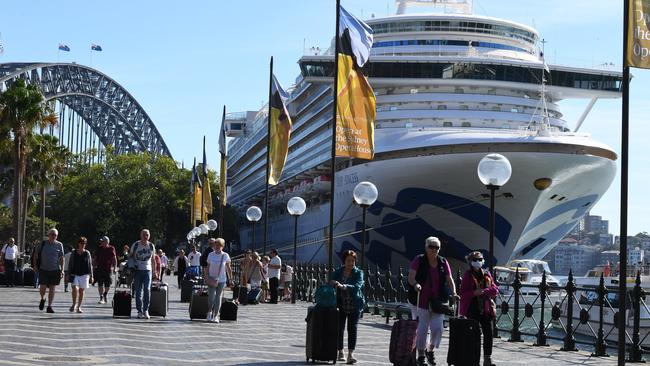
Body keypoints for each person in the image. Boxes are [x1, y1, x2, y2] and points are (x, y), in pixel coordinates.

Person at [408, 236, 458, 366]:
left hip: (438, 301)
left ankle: (430, 350)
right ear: (426, 247)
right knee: (422, 328)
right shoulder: (419, 260)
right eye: (431, 246)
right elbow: (411, 276)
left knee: (438, 329)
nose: (434, 249)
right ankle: (421, 355)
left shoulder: (442, 262)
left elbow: (449, 278)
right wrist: (415, 285)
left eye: (437, 247)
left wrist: (453, 292)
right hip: (421, 300)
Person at [459, 251, 499, 366]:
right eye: (475, 260)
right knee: (475, 335)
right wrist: (474, 293)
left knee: (489, 333)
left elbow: (495, 289)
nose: (478, 262)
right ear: (470, 262)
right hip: (472, 308)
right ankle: (474, 360)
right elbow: (463, 294)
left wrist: (484, 291)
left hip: (486, 308)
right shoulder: (468, 275)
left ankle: (487, 359)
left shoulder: (487, 273)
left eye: (480, 259)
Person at [330, 250, 365, 365]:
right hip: (340, 303)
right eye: (348, 261)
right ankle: (340, 351)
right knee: (340, 328)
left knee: (352, 329)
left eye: (353, 261)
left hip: (355, 304)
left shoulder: (359, 273)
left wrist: (343, 286)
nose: (351, 263)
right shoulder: (338, 272)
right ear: (344, 261)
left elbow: (357, 286)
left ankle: (350, 354)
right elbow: (330, 281)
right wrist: (333, 282)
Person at [34, 228, 65, 313]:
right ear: (48, 235)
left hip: (55, 269)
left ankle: (49, 306)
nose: (54, 236)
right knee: (42, 287)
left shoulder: (59, 245)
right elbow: (36, 254)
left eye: (55, 235)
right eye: (52, 234)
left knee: (52, 288)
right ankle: (43, 298)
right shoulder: (43, 243)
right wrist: (35, 266)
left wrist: (62, 270)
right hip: (43, 269)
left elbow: (62, 258)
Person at [129, 229, 157, 319]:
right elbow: (130, 256)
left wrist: (155, 271)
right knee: (138, 291)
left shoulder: (151, 246)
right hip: (137, 271)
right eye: (144, 235)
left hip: (147, 270)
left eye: (147, 235)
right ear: (140, 235)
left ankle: (146, 310)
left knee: (147, 289)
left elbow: (153, 260)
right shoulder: (136, 245)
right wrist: (132, 265)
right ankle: (139, 311)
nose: (145, 236)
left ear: (149, 236)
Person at [206, 238, 233, 322]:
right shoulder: (211, 254)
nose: (217, 247)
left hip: (221, 279)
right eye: (216, 245)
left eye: (219, 245)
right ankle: (210, 312)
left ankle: (216, 315)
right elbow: (208, 267)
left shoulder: (225, 255)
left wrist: (230, 279)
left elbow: (228, 268)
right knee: (211, 296)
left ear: (223, 246)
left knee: (218, 297)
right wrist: (206, 276)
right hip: (211, 278)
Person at [69, 237, 93, 313]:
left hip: (84, 274)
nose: (83, 245)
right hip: (75, 273)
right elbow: (70, 263)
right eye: (81, 243)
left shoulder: (87, 253)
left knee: (81, 290)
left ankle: (79, 307)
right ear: (78, 243)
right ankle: (74, 304)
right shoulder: (73, 252)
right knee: (74, 288)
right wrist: (67, 274)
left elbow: (90, 265)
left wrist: (91, 276)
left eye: (84, 243)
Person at [94, 236, 117, 304]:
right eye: (101, 241)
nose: (101, 242)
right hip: (100, 268)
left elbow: (114, 258)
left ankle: (105, 294)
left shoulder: (111, 248)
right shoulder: (99, 248)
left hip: (108, 268)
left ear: (107, 242)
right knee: (100, 283)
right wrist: (93, 265)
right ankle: (101, 297)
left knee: (108, 283)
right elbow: (95, 257)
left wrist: (115, 267)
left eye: (103, 241)